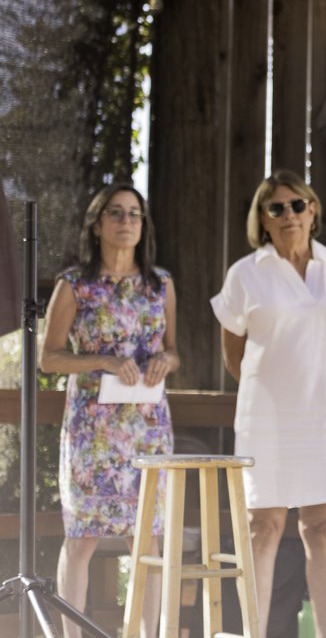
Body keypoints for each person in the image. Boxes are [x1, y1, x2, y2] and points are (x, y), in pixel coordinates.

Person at [210, 170, 326, 638]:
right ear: (262, 219)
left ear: (312, 210)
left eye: (297, 204)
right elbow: (234, 354)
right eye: (276, 208)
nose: (289, 215)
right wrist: (273, 392)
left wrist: (321, 385)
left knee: (323, 529)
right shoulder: (245, 274)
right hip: (266, 420)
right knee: (262, 528)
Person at [41, 183, 178, 638]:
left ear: (144, 225)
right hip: (92, 429)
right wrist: (102, 360)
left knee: (147, 536)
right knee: (82, 537)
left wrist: (165, 360)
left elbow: (174, 351)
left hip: (147, 427)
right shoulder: (74, 285)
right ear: (97, 224)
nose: (126, 221)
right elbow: (49, 358)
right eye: (116, 213)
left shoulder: (160, 285)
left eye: (134, 214)